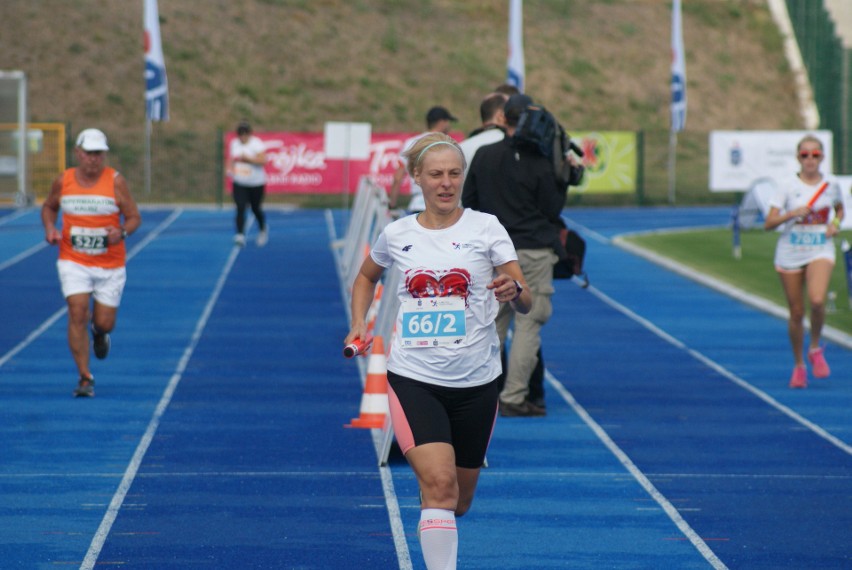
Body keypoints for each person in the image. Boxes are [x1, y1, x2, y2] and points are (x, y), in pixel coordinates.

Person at [344, 132, 531, 570]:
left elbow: (526, 299)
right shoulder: (398, 233)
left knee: (458, 501)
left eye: (453, 174)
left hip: (478, 381)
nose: (446, 183)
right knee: (441, 487)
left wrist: (513, 288)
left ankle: (435, 504)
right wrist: (359, 322)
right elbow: (365, 278)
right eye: (436, 175)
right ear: (417, 178)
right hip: (414, 378)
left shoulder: (487, 228)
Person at [463, 93, 570, 417]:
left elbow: (469, 200)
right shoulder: (540, 161)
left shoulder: (484, 154)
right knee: (529, 325)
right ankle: (513, 397)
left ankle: (481, 392)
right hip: (534, 249)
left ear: (502, 119)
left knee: (491, 324)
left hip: (493, 251)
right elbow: (553, 209)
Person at [41, 128, 142, 397]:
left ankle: (99, 333)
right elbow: (49, 206)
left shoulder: (116, 182)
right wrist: (50, 228)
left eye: (99, 153)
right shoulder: (63, 181)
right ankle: (85, 376)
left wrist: (121, 232)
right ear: (78, 153)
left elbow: (134, 218)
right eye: (89, 153)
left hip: (109, 264)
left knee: (105, 322)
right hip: (73, 260)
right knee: (77, 311)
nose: (94, 159)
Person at [764, 135, 844, 389]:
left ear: (822, 157)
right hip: (790, 251)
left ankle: (815, 347)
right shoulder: (786, 185)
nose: (810, 159)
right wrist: (792, 213)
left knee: (818, 300)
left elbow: (840, 209)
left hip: (820, 247)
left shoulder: (831, 184)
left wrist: (834, 225)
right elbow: (768, 223)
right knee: (797, 312)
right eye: (805, 155)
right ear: (798, 158)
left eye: (815, 154)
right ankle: (799, 364)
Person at [389, 106, 457, 213]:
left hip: (418, 204)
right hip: (443, 205)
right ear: (442, 122)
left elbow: (398, 177)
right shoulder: (449, 145)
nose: (449, 126)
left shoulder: (411, 143)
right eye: (448, 121)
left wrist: (391, 205)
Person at [226, 120, 268, 247]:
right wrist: (229, 169)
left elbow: (263, 160)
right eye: (240, 134)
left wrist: (248, 159)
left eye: (245, 134)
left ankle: (262, 229)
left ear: (249, 134)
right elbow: (231, 159)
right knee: (240, 207)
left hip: (256, 183)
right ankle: (240, 235)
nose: (243, 136)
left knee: (256, 208)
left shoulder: (256, 144)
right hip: (240, 182)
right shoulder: (234, 143)